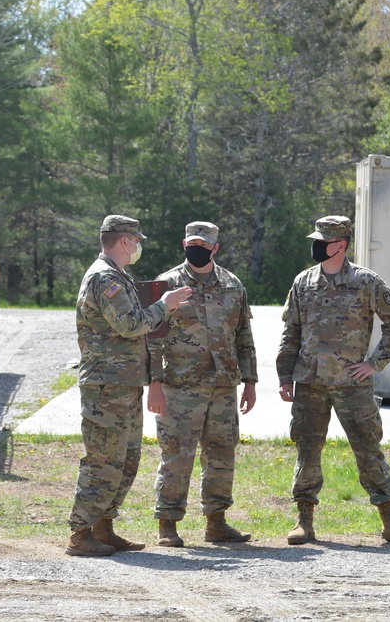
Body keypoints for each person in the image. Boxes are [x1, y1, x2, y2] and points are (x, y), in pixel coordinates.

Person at [276, 215, 390, 546]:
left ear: (341, 244)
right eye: (317, 239)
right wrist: (285, 375)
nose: (317, 246)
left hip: (353, 386)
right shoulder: (303, 282)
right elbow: (291, 331)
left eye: (324, 240)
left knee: (368, 450)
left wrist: (374, 363)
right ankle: (304, 522)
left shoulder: (366, 282)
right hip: (310, 383)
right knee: (307, 451)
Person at [68, 215, 193, 557]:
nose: (138, 245)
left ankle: (103, 528)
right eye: (136, 240)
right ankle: (80, 534)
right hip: (106, 386)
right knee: (104, 459)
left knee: (126, 459)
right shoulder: (105, 277)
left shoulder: (117, 275)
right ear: (124, 241)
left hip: (123, 383)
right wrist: (165, 305)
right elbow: (129, 324)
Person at [147, 221, 258, 547]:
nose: (197, 248)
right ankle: (168, 524)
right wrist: (153, 382)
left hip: (223, 386)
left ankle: (217, 523)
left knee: (222, 454)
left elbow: (243, 336)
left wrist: (250, 381)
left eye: (203, 243)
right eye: (192, 242)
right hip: (180, 387)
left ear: (215, 248)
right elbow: (151, 337)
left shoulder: (232, 285)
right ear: (184, 243)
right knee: (176, 455)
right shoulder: (166, 284)